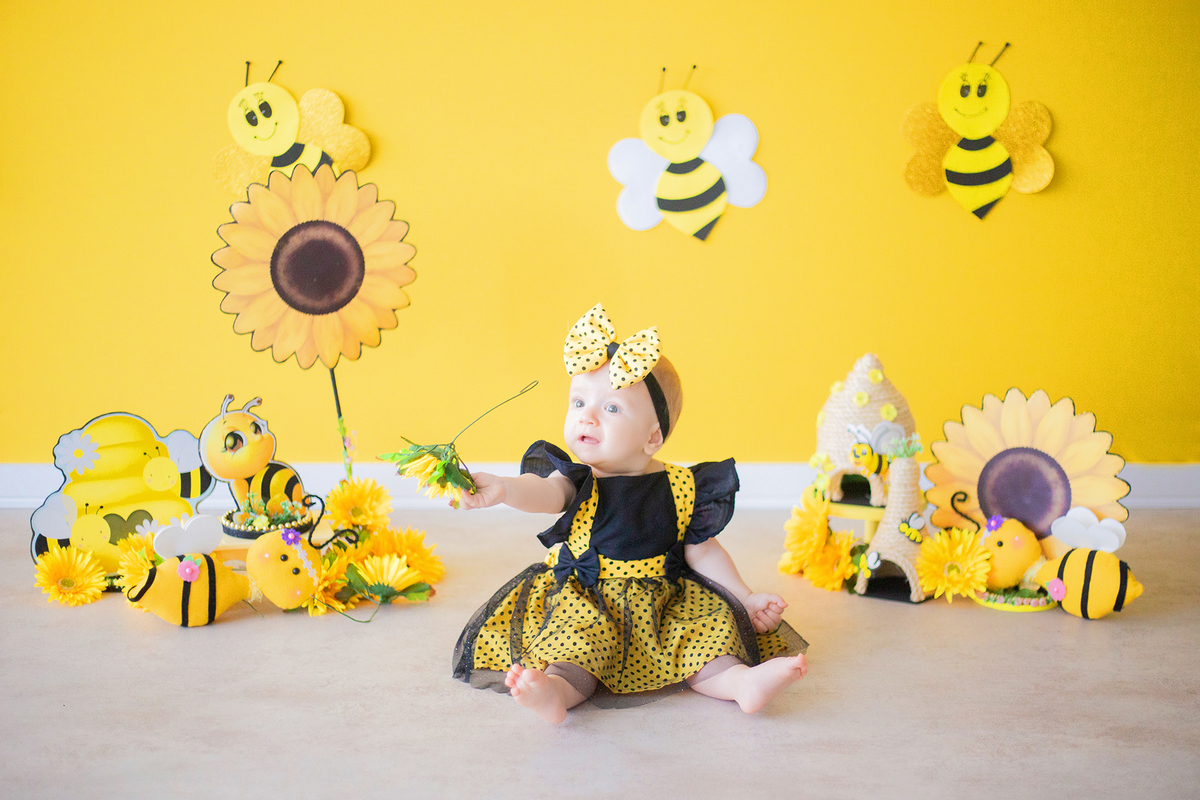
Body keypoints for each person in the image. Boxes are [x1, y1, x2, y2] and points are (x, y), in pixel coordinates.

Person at [452, 304, 807, 723]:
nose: (587, 415)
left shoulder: (684, 486)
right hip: (589, 597)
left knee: (705, 637)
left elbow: (704, 552)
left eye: (612, 408)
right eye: (579, 401)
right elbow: (545, 493)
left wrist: (744, 597)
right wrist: (506, 488)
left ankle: (741, 683)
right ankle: (554, 691)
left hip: (665, 600)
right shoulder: (578, 480)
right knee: (577, 646)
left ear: (653, 437)